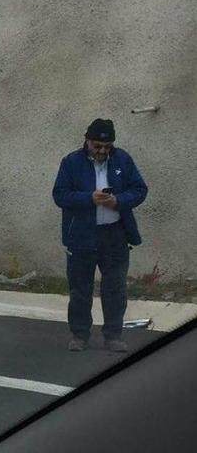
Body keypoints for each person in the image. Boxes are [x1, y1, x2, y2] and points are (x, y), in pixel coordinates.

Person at [52, 118, 148, 353]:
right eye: (97, 146)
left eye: (107, 147)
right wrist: (88, 198)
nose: (102, 151)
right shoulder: (71, 162)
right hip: (82, 236)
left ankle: (113, 336)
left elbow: (140, 189)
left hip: (114, 235)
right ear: (87, 141)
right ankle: (80, 335)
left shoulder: (122, 159)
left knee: (115, 288)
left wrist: (119, 201)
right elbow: (60, 195)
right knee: (80, 289)